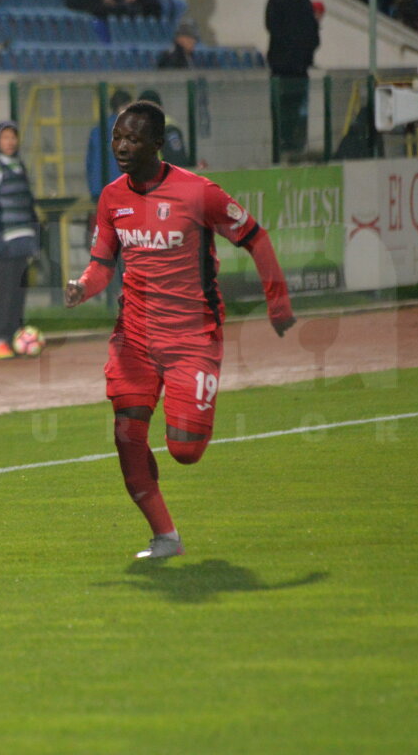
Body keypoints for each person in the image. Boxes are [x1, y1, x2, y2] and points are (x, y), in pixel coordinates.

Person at [63, 99, 295, 559]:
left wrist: (278, 302)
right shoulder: (112, 197)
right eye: (117, 138)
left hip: (193, 337)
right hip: (134, 337)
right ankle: (165, 536)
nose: (122, 147)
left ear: (156, 143)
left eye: (132, 139)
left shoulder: (199, 193)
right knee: (127, 436)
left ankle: (176, 447)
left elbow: (255, 237)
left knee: (185, 450)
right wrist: (81, 287)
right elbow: (102, 266)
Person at [0, 121, 40, 360]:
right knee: (1, 291)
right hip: (4, 240)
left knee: (18, 291)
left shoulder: (19, 165)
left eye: (13, 137)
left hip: (23, 240)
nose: (10, 142)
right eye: (6, 137)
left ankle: (15, 336)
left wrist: (35, 235)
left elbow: (27, 203)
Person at [265, 0, 319, 157]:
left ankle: (295, 145)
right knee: (282, 109)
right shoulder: (277, 1)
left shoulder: (305, 3)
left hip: (300, 69)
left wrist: (305, 54)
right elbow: (274, 30)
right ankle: (281, 145)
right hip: (282, 68)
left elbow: (313, 33)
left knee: (297, 111)